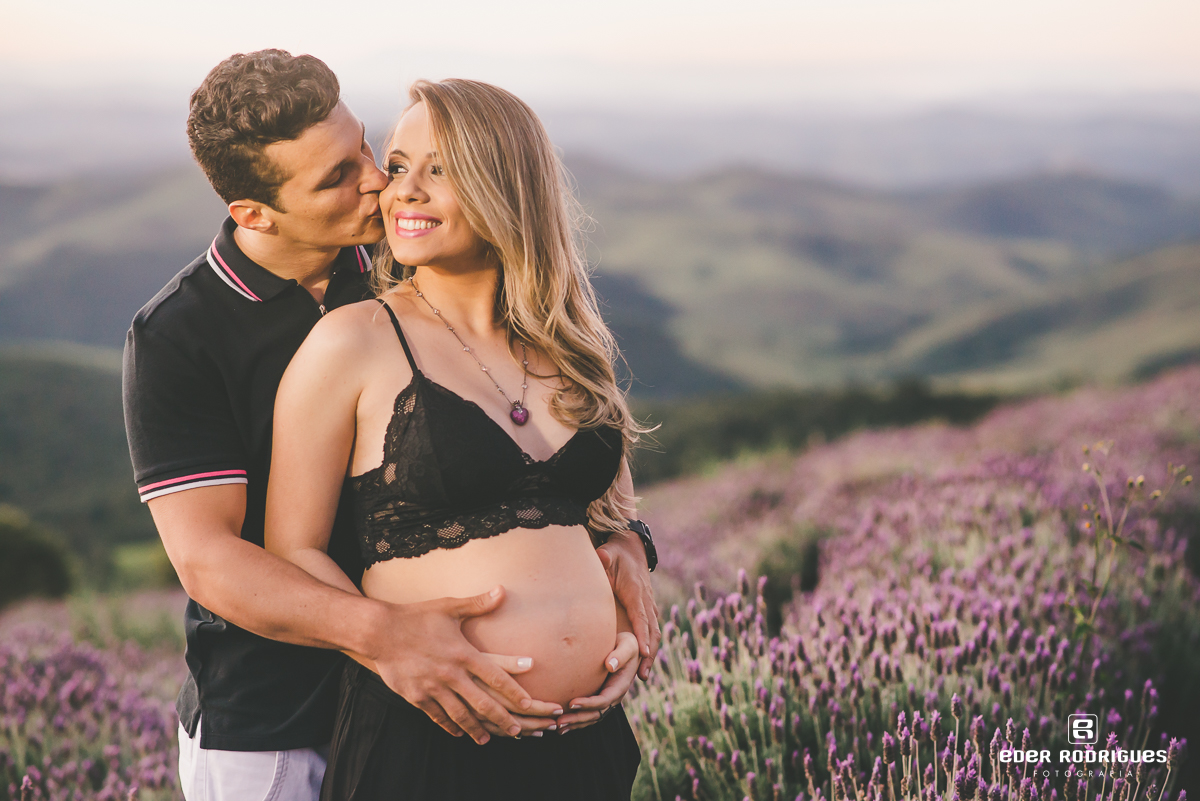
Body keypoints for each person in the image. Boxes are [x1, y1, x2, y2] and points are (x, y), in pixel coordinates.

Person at [122, 51, 660, 801]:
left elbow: (566, 481)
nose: (378, 182)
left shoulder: (398, 258)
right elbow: (211, 560)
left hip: (544, 731)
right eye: (339, 176)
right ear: (254, 213)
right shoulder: (179, 334)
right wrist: (383, 636)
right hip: (277, 716)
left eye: (370, 151)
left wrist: (629, 550)